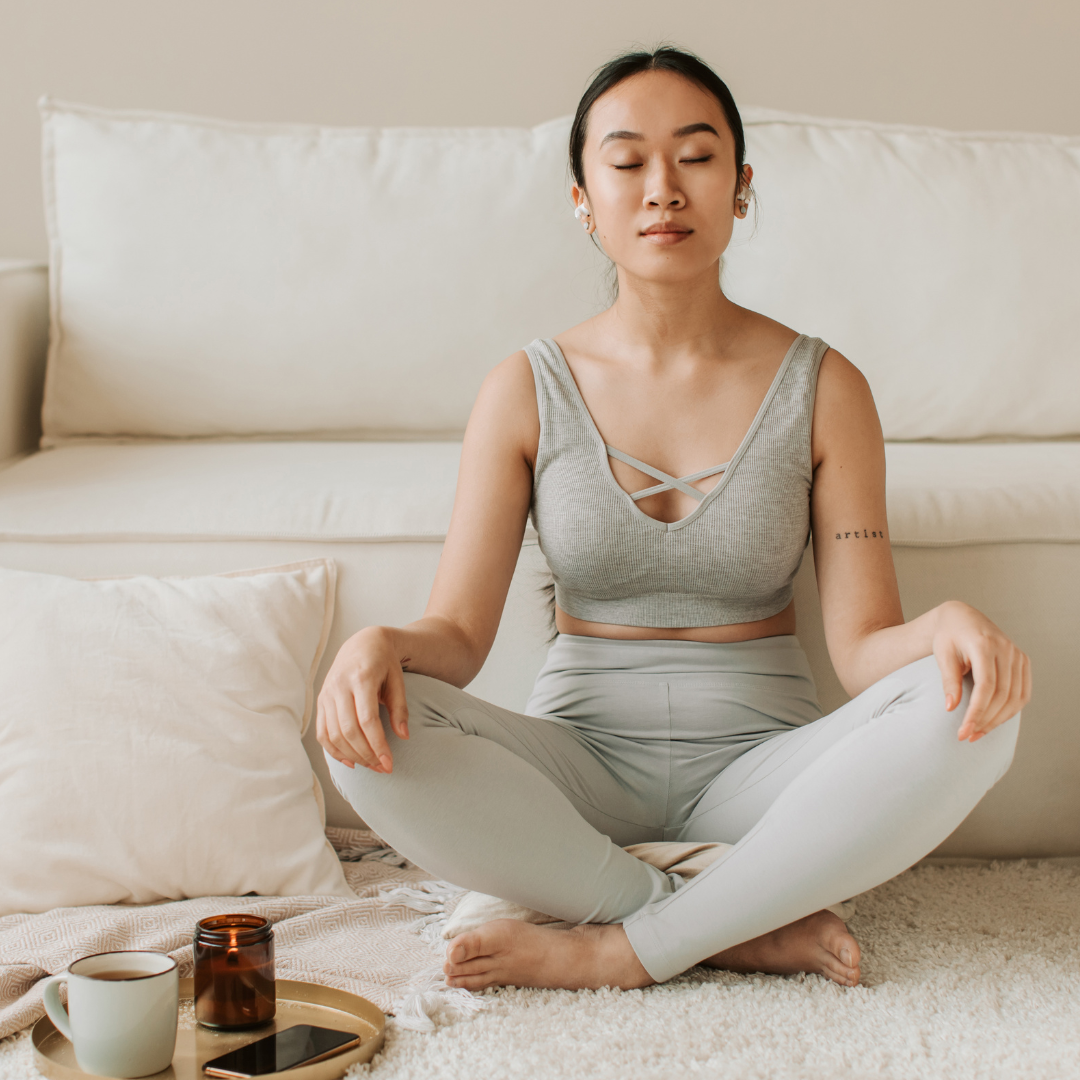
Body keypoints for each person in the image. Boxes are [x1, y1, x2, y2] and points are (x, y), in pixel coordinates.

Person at [317, 46, 1030, 992]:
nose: (663, 189)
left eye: (696, 158)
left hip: (762, 780)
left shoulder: (826, 386)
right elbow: (456, 635)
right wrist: (381, 643)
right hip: (576, 777)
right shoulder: (523, 389)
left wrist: (942, 629)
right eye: (627, 162)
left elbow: (861, 648)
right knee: (365, 735)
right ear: (583, 198)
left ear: (740, 188)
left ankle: (621, 944)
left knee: (979, 714)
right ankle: (721, 924)